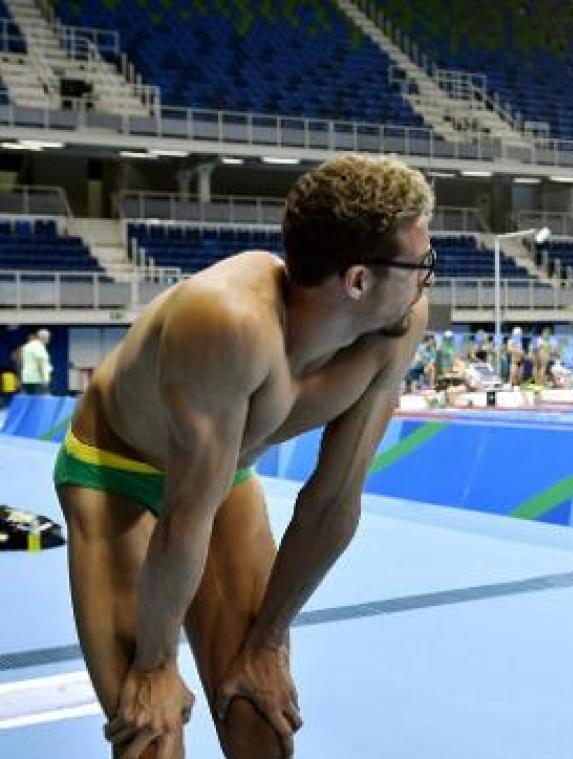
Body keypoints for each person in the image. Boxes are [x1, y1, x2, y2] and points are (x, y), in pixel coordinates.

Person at [54, 153, 436, 758]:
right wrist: (155, 663)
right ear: (358, 280)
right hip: (118, 474)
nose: (427, 279)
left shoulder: (397, 326)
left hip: (220, 480)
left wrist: (267, 642)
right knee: (149, 738)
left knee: (262, 726)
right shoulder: (228, 319)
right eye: (421, 263)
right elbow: (184, 516)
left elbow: (333, 502)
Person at [19, 328, 53, 395]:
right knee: (41, 401)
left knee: (29, 401)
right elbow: (40, 362)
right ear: (44, 337)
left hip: (26, 379)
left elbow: (22, 361)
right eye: (48, 338)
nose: (49, 340)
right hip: (38, 379)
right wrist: (44, 379)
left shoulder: (26, 346)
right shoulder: (39, 346)